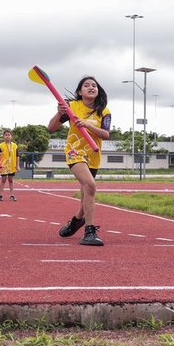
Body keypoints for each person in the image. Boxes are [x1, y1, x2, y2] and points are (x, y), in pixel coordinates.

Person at [48, 76, 111, 246]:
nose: (91, 87)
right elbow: (51, 128)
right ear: (79, 91)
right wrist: (60, 113)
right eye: (86, 85)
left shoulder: (104, 111)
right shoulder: (71, 106)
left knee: (86, 193)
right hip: (74, 152)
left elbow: (106, 134)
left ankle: (77, 220)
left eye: (94, 85)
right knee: (90, 185)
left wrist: (88, 125)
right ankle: (89, 232)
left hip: (93, 155)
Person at [0, 130, 19, 201]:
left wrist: (17, 165)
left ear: (11, 136)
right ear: (3, 136)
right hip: (3, 165)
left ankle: (12, 195)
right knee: (3, 180)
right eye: (6, 135)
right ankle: (0, 195)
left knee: (11, 180)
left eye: (9, 135)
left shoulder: (15, 146)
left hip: (12, 165)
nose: (7, 136)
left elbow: (17, 156)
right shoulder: (1, 145)